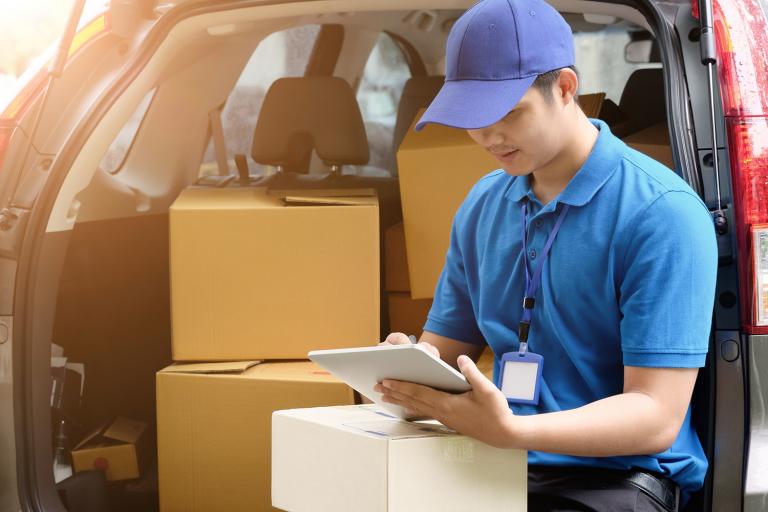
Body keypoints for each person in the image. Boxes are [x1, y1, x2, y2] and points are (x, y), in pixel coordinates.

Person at [372, 0, 718, 510]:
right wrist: (410, 368)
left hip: (615, 481)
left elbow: (656, 417)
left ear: (564, 89)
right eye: (472, 118)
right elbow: (443, 346)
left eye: (509, 113)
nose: (488, 136)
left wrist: (514, 430)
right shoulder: (484, 203)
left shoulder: (661, 215)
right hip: (493, 461)